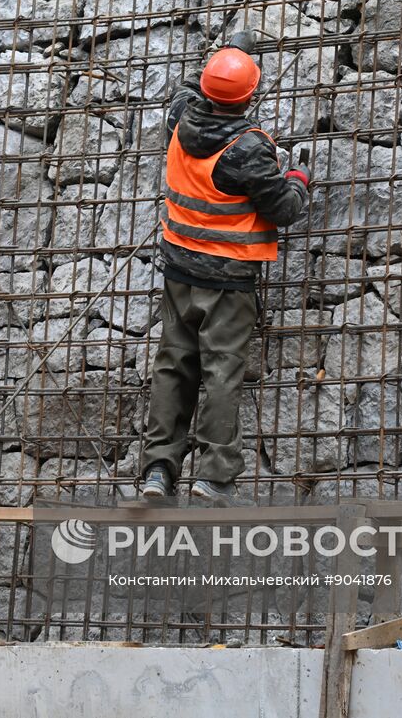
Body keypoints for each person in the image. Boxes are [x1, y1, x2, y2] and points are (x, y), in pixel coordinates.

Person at [139, 31, 311, 504]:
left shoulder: (179, 118)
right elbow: (283, 210)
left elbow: (191, 87)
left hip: (178, 272)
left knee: (173, 365)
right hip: (228, 280)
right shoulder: (248, 149)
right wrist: (297, 177)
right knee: (220, 371)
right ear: (251, 95)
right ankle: (213, 477)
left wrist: (226, 56)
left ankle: (158, 471)